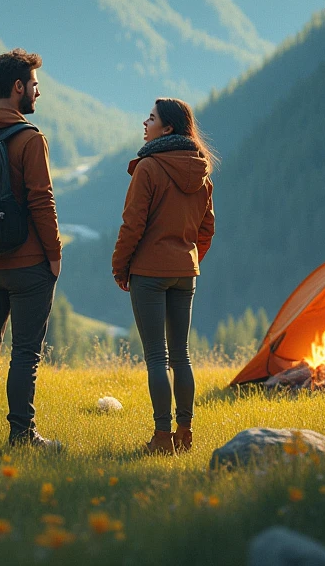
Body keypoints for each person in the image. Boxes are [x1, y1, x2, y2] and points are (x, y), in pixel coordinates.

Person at [0, 48, 62, 449]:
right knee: (25, 352)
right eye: (35, 85)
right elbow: (42, 201)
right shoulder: (29, 139)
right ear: (18, 87)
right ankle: (22, 434)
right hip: (27, 264)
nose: (37, 93)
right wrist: (54, 255)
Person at [112, 98, 215, 455]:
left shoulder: (149, 168)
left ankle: (161, 438)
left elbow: (132, 225)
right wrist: (186, 259)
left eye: (151, 117)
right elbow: (207, 229)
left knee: (157, 357)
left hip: (149, 273)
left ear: (167, 128)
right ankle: (185, 434)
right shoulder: (202, 172)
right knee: (181, 356)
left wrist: (120, 266)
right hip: (185, 273)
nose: (145, 122)